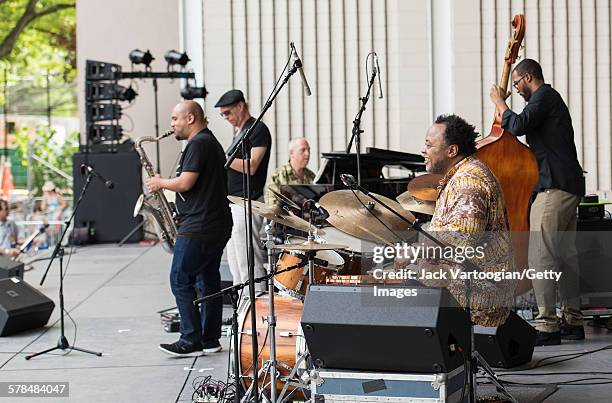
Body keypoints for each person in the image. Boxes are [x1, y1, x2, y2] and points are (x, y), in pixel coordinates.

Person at [490, 58, 585, 345]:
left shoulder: (544, 96)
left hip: (554, 187)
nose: (516, 89)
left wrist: (499, 102)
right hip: (569, 185)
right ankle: (573, 321)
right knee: (566, 257)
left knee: (540, 256)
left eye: (517, 83)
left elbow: (518, 125)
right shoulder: (549, 99)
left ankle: (547, 325)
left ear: (528, 77)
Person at [397, 114, 516, 327]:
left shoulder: (468, 182)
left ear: (452, 151)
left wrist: (415, 251)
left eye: (428, 145)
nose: (423, 150)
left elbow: (460, 239)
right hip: (460, 288)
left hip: (474, 298)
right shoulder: (462, 174)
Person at [147, 100, 233, 357]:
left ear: (191, 119)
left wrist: (160, 182)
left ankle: (190, 339)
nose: (172, 124)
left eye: (175, 119)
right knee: (208, 280)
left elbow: (186, 182)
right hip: (214, 223)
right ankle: (209, 338)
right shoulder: (209, 142)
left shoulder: (198, 143)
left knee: (179, 278)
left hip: (200, 225)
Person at [215, 89, 272, 289]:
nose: (226, 118)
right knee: (236, 260)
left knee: (248, 258)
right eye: (222, 115)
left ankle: (256, 300)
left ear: (241, 106)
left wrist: (223, 159)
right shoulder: (240, 132)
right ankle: (242, 306)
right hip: (233, 202)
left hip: (247, 201)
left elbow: (252, 165)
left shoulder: (257, 130)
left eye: (228, 113)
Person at [264, 138, 315, 207]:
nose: (307, 154)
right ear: (291, 153)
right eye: (303, 150)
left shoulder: (312, 176)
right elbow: (272, 206)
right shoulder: (277, 176)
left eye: (308, 150)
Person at [40, 181, 66, 246]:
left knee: (56, 224)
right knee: (46, 224)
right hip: (49, 214)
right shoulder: (45, 196)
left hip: (57, 214)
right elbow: (42, 207)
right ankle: (49, 242)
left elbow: (63, 204)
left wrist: (57, 209)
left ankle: (57, 242)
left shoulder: (57, 195)